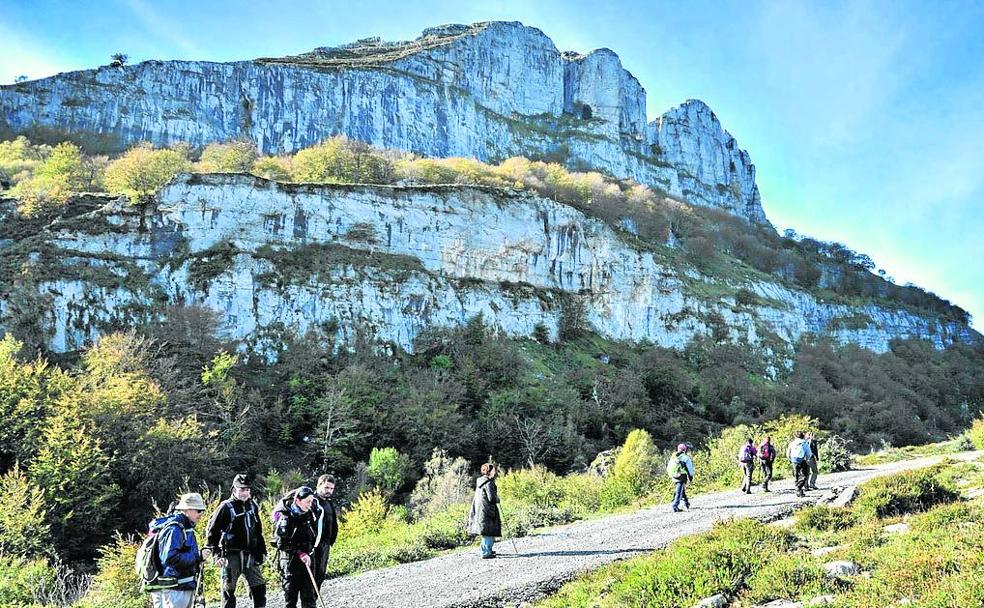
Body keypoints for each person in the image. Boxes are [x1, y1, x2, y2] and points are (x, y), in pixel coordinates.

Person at [204, 474, 267, 608]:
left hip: (250, 554)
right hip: (230, 555)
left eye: (247, 489)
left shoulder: (253, 506)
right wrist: (216, 555)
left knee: (259, 587)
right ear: (234, 490)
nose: (245, 493)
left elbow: (258, 531)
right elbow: (212, 532)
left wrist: (262, 551)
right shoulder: (225, 507)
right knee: (228, 590)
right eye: (242, 489)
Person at [149, 492, 206, 608]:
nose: (201, 514)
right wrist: (198, 556)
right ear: (187, 510)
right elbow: (169, 558)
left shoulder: (185, 527)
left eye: (202, 510)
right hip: (175, 588)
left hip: (182, 586)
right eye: (198, 510)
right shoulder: (175, 529)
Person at [272, 486, 319, 608]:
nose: (310, 504)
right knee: (290, 599)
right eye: (307, 501)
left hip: (308, 559)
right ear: (298, 501)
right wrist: (300, 553)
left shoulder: (309, 514)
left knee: (309, 598)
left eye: (311, 501)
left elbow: (313, 535)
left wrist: (309, 552)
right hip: (290, 562)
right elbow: (281, 543)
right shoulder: (284, 516)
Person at [311, 474, 339, 591]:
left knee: (320, 576)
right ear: (319, 485)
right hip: (313, 546)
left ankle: (313, 601)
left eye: (331, 489)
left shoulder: (328, 502)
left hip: (325, 545)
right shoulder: (312, 502)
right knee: (311, 577)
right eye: (327, 488)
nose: (329, 491)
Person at [468, 463, 501, 559]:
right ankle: (486, 552)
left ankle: (487, 550)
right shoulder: (488, 483)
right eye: (493, 470)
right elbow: (491, 498)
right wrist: (497, 499)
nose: (495, 472)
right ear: (489, 471)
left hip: (482, 511)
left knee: (486, 531)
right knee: (488, 532)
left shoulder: (481, 482)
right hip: (487, 511)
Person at [667, 443, 694, 512]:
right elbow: (690, 469)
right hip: (681, 476)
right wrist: (691, 477)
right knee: (679, 491)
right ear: (685, 450)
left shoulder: (673, 457)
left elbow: (669, 467)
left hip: (674, 475)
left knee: (681, 490)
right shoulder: (685, 458)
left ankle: (686, 503)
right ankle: (675, 505)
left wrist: (671, 475)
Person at [787, 431, 813, 497]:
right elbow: (809, 454)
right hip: (802, 460)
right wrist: (807, 459)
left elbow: (788, 453)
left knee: (796, 476)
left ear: (795, 436)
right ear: (802, 436)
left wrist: (791, 460)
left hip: (794, 460)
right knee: (805, 475)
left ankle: (798, 491)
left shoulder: (792, 443)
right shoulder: (804, 443)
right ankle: (799, 488)